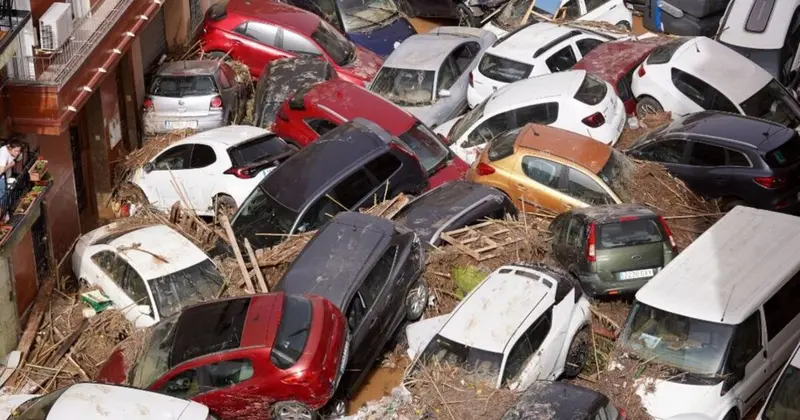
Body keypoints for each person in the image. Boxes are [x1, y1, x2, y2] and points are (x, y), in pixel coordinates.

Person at [0, 141, 23, 221]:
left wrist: (18, 156)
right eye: (16, 151)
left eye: (18, 151)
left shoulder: (10, 150)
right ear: (10, 149)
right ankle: (4, 216)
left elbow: (18, 156)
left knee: (9, 192)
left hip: (7, 176)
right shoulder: (4, 154)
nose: (17, 153)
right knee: (3, 197)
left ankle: (7, 213)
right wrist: (10, 165)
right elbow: (1, 170)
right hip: (1, 177)